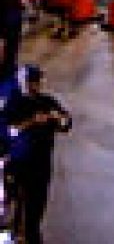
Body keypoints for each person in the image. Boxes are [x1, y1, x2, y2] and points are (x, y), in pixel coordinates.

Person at [4, 64, 71, 244]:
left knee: (36, 207)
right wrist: (32, 121)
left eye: (38, 80)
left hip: (42, 165)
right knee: (14, 208)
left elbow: (66, 124)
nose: (37, 84)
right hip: (19, 164)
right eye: (33, 81)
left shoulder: (48, 102)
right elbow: (10, 131)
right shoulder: (15, 104)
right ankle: (14, 236)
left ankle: (31, 235)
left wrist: (59, 118)